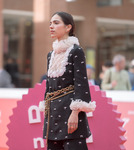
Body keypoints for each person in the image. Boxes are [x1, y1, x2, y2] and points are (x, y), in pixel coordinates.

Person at [39, 12, 96, 150]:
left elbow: (81, 83)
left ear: (68, 27)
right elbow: (49, 88)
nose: (51, 26)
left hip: (70, 111)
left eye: (56, 23)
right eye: (50, 23)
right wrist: (47, 112)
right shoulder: (50, 55)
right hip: (53, 113)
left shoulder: (76, 51)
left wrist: (75, 113)